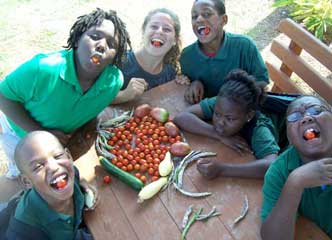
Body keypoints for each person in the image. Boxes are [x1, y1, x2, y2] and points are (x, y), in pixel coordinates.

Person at [0, 8, 132, 178]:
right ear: (78, 39)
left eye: (111, 44)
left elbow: (92, 105)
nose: (101, 45)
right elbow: (3, 96)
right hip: (19, 131)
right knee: (22, 173)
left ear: (115, 57)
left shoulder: (113, 82)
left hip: (60, 142)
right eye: (95, 36)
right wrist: (40, 132)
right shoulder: (43, 69)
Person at [174, 69, 280, 179]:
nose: (220, 122)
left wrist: (223, 169)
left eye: (230, 119)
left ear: (249, 116)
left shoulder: (260, 129)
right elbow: (181, 117)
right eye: (217, 114)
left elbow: (272, 166)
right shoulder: (223, 103)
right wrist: (218, 135)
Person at [261, 95, 332, 239]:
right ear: (289, 137)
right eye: (294, 117)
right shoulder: (280, 171)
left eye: (316, 110)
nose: (306, 118)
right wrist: (295, 183)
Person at [5, 131, 99, 239]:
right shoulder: (25, 232)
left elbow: (76, 173)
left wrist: (84, 183)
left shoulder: (72, 177)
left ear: (68, 156)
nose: (54, 167)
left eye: (58, 156)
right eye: (38, 167)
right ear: (27, 181)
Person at [180, 0, 269, 104]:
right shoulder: (187, 57)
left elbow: (261, 82)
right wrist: (193, 83)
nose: (199, 19)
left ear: (224, 20)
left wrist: (236, 93)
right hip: (202, 116)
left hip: (240, 113)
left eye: (207, 14)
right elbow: (186, 87)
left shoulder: (244, 46)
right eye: (194, 16)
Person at [114, 8, 189, 103]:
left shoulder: (170, 73)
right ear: (143, 32)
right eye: (154, 27)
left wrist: (180, 82)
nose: (160, 31)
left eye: (167, 29)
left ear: (175, 40)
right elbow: (93, 95)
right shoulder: (121, 62)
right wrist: (124, 95)